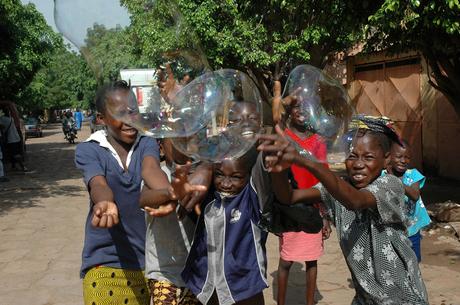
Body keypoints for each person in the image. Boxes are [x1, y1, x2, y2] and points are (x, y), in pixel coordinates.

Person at [258, 116, 429, 305]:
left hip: (402, 298)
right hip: (365, 299)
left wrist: (306, 160)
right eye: (352, 156)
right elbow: (289, 197)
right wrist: (278, 170)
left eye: (368, 157)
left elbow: (355, 201)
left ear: (386, 159)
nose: (358, 164)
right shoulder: (338, 188)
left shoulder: (390, 185)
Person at [75, 80, 174, 305]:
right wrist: (105, 203)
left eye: (133, 111)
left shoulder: (146, 143)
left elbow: (151, 170)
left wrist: (169, 190)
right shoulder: (89, 149)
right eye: (121, 113)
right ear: (101, 118)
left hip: (148, 265)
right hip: (105, 263)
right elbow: (98, 184)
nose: (130, 119)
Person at [140, 138, 209, 305]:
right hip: (163, 274)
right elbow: (144, 198)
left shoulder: (202, 178)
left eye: (189, 139)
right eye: (176, 140)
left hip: (196, 276)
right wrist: (170, 193)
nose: (183, 145)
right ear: (161, 148)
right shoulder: (158, 175)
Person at [276, 100, 331, 305]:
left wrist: (324, 215)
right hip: (289, 206)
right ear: (290, 111)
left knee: (311, 258)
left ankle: (310, 302)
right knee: (286, 261)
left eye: (307, 107)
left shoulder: (318, 142)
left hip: (312, 206)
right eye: (297, 107)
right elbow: (276, 122)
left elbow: (323, 178)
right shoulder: (285, 138)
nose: (302, 112)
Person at [385, 140, 430, 262]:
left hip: (411, 228)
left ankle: (412, 280)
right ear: (389, 156)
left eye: (407, 157)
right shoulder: (383, 176)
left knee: (413, 260)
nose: (403, 160)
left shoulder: (413, 174)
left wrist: (395, 180)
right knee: (394, 260)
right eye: (399, 156)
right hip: (391, 228)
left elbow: (415, 195)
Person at [0, 106, 27, 172]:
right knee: (12, 153)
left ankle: (23, 167)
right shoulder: (11, 118)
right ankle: (13, 166)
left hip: (11, 139)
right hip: (16, 138)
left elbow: (2, 128)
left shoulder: (3, 119)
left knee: (15, 154)